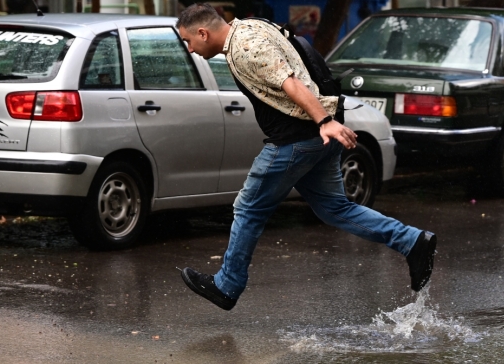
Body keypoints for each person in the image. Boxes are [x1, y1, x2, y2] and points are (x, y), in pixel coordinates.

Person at [176, 3, 437, 311]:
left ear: (203, 33)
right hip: (315, 136)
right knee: (334, 208)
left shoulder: (245, 47)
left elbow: (291, 82)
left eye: (189, 41)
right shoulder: (251, 27)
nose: (190, 50)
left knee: (248, 208)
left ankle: (227, 285)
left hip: (296, 139)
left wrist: (324, 122)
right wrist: (325, 122)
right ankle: (412, 241)